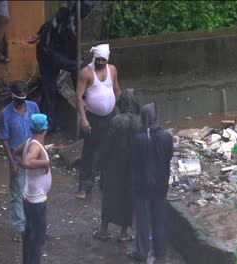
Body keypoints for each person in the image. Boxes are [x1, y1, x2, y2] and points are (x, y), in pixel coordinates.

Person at [27, 2, 93, 131]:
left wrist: (39, 34)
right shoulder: (68, 20)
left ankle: (47, 121)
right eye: (87, 10)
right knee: (51, 86)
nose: (87, 13)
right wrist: (82, 95)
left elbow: (50, 24)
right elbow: (74, 59)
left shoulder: (72, 17)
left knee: (49, 87)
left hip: (51, 52)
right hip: (48, 54)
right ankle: (49, 124)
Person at [92, 90, 142, 242]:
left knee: (109, 197)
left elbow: (107, 145)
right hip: (132, 167)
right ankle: (124, 233)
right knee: (128, 198)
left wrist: (99, 165)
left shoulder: (115, 120)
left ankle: (103, 230)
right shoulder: (140, 122)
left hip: (114, 166)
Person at [75, 43, 121, 199]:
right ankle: (84, 187)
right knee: (89, 152)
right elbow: (79, 97)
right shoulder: (86, 73)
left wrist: (119, 111)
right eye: (98, 59)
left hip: (110, 117)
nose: (100, 62)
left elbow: (117, 89)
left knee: (109, 150)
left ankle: (106, 182)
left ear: (107, 59)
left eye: (103, 60)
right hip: (93, 119)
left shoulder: (112, 70)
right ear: (94, 58)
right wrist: (83, 118)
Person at [129, 103, 174, 262]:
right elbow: (168, 157)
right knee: (159, 219)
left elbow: (133, 162)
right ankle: (160, 250)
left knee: (143, 220)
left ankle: (142, 252)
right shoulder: (167, 137)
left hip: (142, 187)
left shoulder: (138, 139)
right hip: (161, 185)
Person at [0, 81, 40, 242]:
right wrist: (12, 162)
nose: (22, 101)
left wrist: (42, 155)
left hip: (33, 155)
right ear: (12, 96)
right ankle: (18, 228)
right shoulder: (5, 114)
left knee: (34, 192)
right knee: (17, 193)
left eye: (24, 97)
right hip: (17, 158)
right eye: (18, 98)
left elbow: (40, 131)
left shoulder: (33, 107)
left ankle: (34, 226)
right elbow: (5, 140)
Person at [13, 113, 51, 264]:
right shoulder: (36, 146)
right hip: (36, 201)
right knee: (37, 239)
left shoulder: (29, 142)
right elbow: (29, 162)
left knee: (29, 235)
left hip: (29, 196)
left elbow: (16, 153)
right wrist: (45, 163)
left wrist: (22, 164)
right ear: (45, 129)